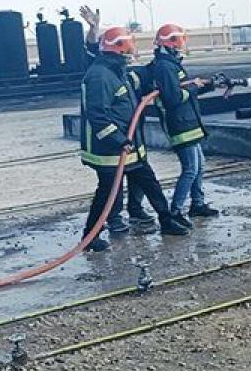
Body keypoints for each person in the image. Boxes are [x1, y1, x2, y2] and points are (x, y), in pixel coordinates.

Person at [79, 25, 189, 252]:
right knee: (108, 195)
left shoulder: (116, 70)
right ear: (119, 49)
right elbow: (98, 115)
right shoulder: (100, 76)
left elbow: (140, 80)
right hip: (110, 151)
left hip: (129, 148)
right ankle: (90, 236)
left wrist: (162, 62)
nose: (133, 53)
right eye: (130, 48)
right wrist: (119, 140)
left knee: (150, 182)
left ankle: (166, 220)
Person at [80, 6, 156, 234]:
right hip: (108, 143)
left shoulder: (119, 69)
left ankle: (130, 212)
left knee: (131, 175)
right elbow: (98, 115)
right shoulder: (99, 70)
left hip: (128, 136)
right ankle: (107, 222)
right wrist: (93, 28)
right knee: (110, 185)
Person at [149, 24, 220, 227]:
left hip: (189, 122)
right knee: (190, 169)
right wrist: (193, 88)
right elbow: (173, 97)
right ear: (171, 43)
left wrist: (211, 85)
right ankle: (175, 211)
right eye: (179, 41)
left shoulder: (172, 63)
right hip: (180, 126)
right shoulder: (164, 67)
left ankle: (197, 204)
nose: (181, 46)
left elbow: (186, 90)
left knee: (200, 166)